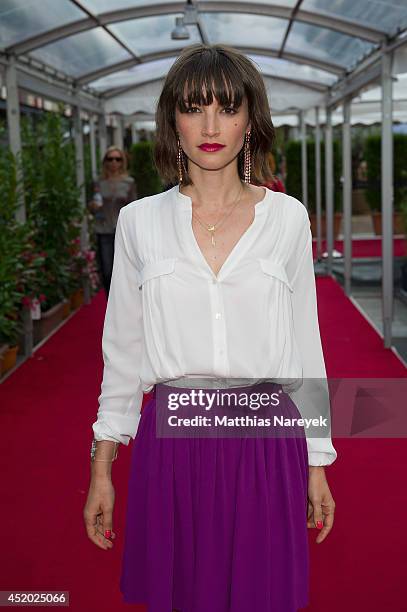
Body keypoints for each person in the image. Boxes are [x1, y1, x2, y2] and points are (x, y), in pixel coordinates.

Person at [83, 43, 337, 612]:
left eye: (227, 107)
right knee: (182, 594)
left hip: (266, 441)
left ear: (252, 119)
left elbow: (306, 343)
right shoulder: (138, 223)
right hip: (173, 445)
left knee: (260, 595)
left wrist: (318, 458)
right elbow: (122, 353)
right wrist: (102, 467)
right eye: (194, 108)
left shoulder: (288, 218)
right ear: (172, 120)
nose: (211, 125)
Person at [87, 146, 137, 297]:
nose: (114, 162)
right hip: (104, 230)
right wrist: (93, 206)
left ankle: (125, 300)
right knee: (107, 271)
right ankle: (111, 302)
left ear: (123, 162)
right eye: (110, 159)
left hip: (124, 232)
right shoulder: (98, 183)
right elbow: (91, 206)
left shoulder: (129, 183)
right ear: (105, 162)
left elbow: (134, 206)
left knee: (126, 270)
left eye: (118, 158)